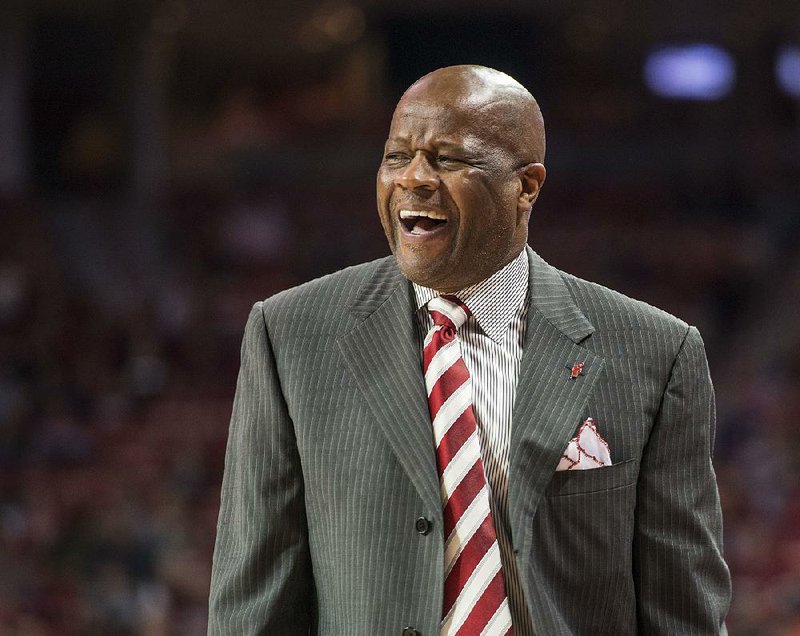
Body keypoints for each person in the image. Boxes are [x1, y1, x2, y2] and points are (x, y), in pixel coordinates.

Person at [208, 65, 731, 635]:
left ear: (526, 186)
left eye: (448, 159)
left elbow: (684, 615)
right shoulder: (289, 336)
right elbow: (252, 606)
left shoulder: (657, 352)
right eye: (396, 156)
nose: (414, 178)